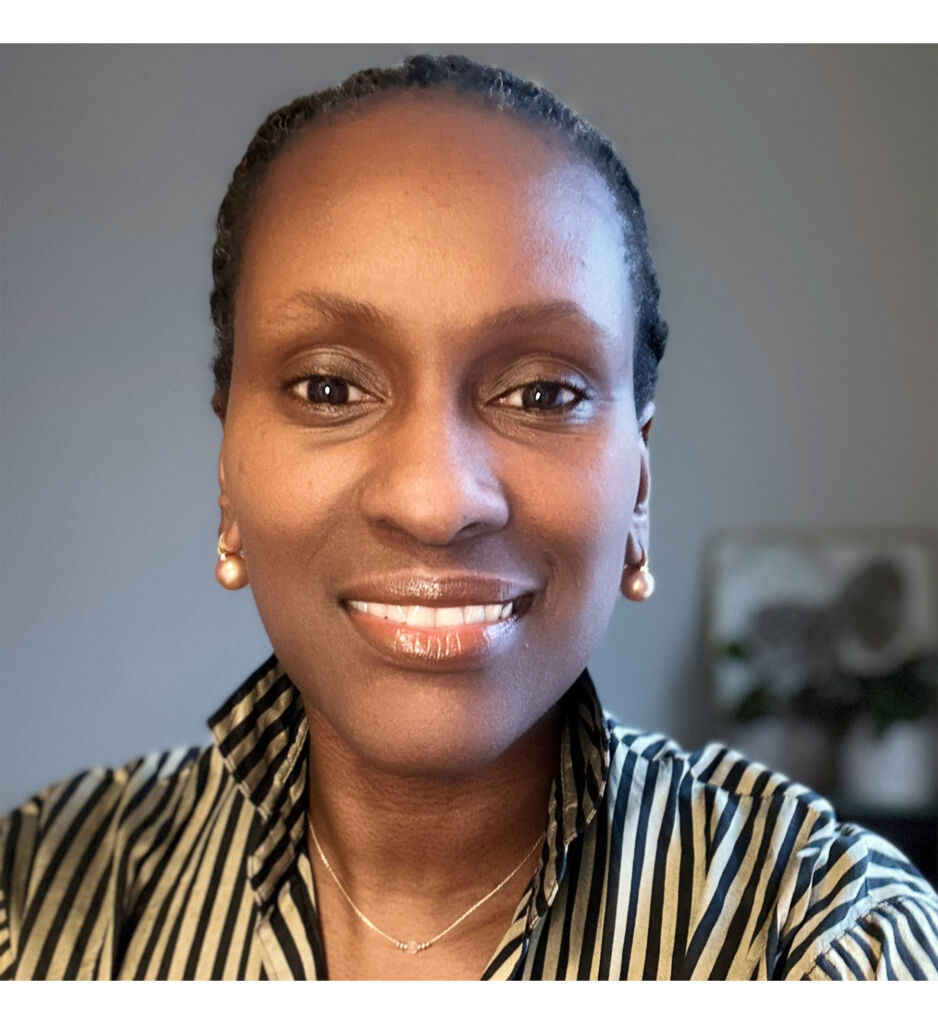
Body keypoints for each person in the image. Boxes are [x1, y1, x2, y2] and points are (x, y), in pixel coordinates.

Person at [1, 53, 936, 981]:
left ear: (638, 489)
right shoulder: (36, 901)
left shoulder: (824, 941)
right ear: (227, 481)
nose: (435, 501)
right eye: (330, 387)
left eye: (540, 393)